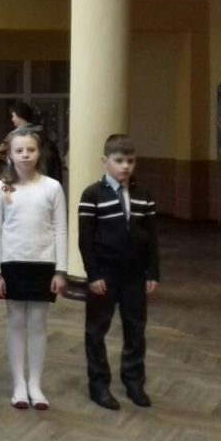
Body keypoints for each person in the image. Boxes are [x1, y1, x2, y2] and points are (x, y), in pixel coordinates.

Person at [0, 126, 68, 411]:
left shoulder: (52, 187)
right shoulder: (0, 189)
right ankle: (18, 383)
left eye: (30, 150)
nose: (25, 155)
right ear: (9, 155)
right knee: (16, 322)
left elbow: (60, 229)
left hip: (43, 263)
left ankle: (35, 383)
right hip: (12, 263)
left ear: (39, 152)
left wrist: (61, 270)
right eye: (19, 150)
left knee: (37, 323)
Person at [78, 134, 160, 410]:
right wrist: (93, 275)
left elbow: (152, 238)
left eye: (131, 161)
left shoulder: (144, 195)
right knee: (96, 330)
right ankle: (98, 384)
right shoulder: (92, 195)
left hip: (135, 275)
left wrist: (152, 273)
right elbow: (86, 240)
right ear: (105, 161)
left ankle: (134, 381)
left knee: (136, 329)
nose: (125, 166)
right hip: (105, 274)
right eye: (119, 160)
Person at [9, 101, 63, 181]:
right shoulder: (44, 137)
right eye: (19, 151)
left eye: (13, 116)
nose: (25, 155)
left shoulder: (13, 137)